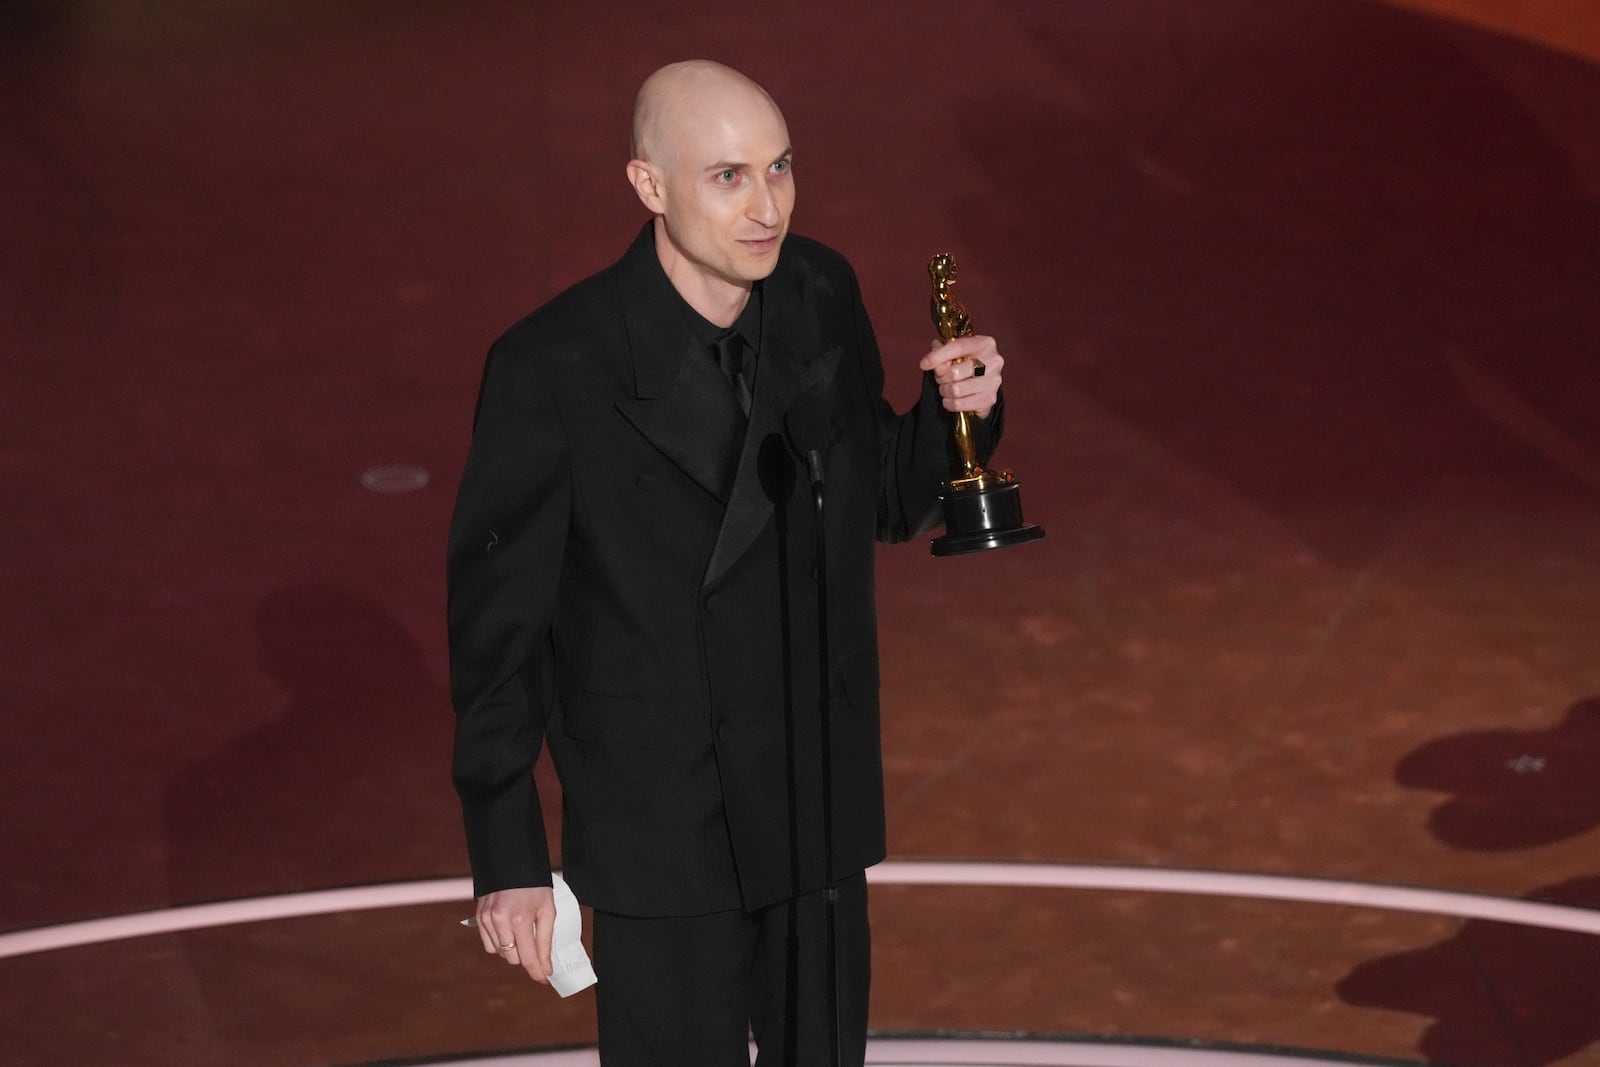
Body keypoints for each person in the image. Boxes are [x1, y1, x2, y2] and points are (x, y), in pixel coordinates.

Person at [446, 59, 1006, 1066]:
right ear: (649, 186)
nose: (767, 206)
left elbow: (879, 496)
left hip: (810, 801)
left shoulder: (817, 290)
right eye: (729, 176)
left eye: (780, 168)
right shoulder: (551, 367)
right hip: (661, 826)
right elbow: (499, 633)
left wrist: (955, 420)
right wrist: (511, 858)